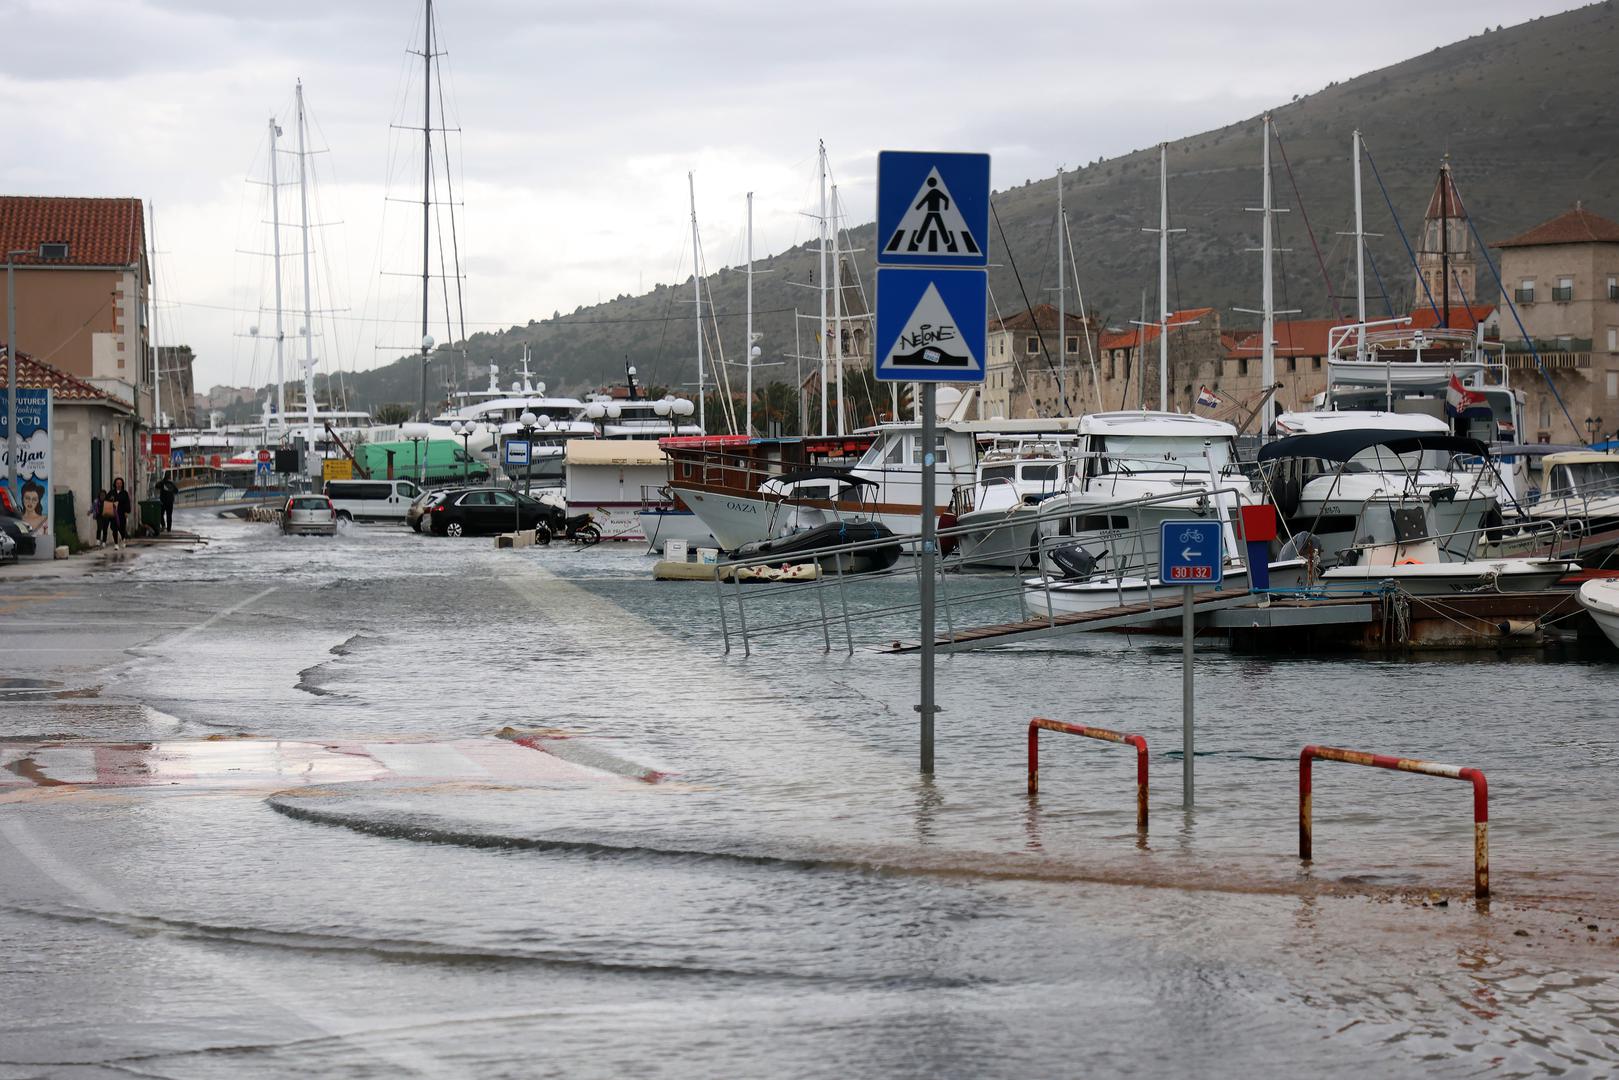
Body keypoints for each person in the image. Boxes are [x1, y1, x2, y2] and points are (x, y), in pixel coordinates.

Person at [108, 477, 131, 550]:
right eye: (117, 483)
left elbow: (127, 503)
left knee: (122, 528)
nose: (119, 485)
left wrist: (127, 511)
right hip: (114, 513)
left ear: (122, 484)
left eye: (120, 483)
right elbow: (107, 501)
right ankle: (116, 544)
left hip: (121, 513)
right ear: (115, 484)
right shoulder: (111, 493)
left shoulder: (124, 493)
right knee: (114, 528)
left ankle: (123, 539)